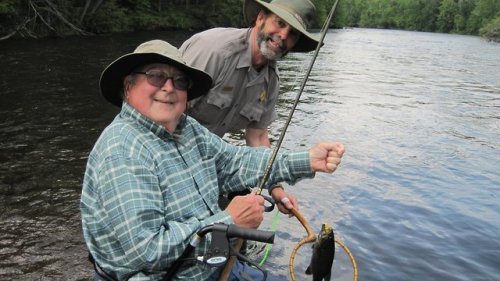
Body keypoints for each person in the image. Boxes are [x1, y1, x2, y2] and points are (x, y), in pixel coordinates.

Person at [80, 40, 344, 281]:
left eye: (180, 81)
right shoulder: (122, 151)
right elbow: (145, 251)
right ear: (128, 87)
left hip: (211, 265)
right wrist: (230, 221)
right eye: (156, 76)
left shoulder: (186, 127)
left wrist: (307, 160)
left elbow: (235, 162)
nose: (169, 87)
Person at [179, 0, 322, 209]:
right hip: (165, 157)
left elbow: (257, 136)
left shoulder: (271, 81)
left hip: (205, 162)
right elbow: (165, 112)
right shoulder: (215, 50)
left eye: (293, 33)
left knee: (245, 214)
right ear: (261, 18)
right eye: (280, 23)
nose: (283, 36)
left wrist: (276, 189)